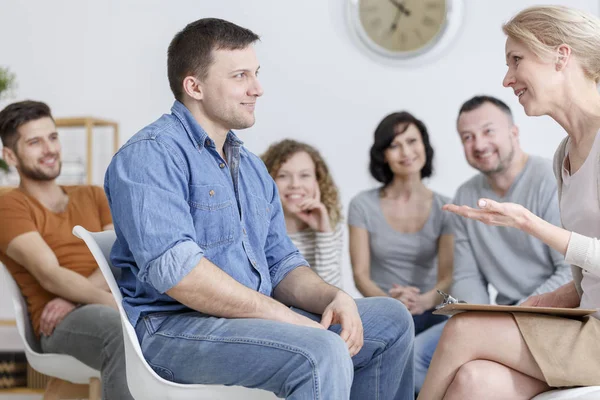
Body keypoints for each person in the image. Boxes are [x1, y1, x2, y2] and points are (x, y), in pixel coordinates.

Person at [104, 18, 414, 399]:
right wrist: (283, 317)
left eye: (256, 74)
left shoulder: (250, 167)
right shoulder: (151, 154)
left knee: (391, 320)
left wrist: (335, 298)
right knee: (320, 350)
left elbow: (280, 262)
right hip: (174, 329)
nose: (257, 88)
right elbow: (181, 275)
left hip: (247, 324)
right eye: (240, 76)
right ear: (194, 86)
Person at [419, 6, 600, 399]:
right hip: (586, 322)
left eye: (516, 60)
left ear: (561, 56)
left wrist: (531, 224)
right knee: (474, 380)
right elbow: (587, 281)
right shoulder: (565, 155)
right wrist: (533, 305)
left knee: (462, 331)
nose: (507, 78)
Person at [413, 95, 572, 394]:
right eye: (467, 137)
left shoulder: (549, 182)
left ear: (514, 132)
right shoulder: (465, 195)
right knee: (414, 357)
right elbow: (466, 276)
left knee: (468, 367)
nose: (479, 144)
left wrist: (512, 315)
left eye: (488, 131)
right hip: (499, 315)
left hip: (551, 314)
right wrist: (487, 317)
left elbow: (569, 272)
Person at [0, 100, 133, 399]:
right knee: (119, 331)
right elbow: (50, 275)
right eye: (35, 142)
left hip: (84, 305)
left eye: (53, 137)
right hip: (57, 324)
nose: (49, 149)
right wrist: (113, 305)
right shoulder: (9, 206)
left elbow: (117, 258)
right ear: (10, 155)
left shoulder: (93, 194)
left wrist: (76, 299)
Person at [348, 111, 453, 335]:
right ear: (383, 155)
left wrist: (423, 302)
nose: (406, 152)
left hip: (431, 310)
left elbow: (448, 277)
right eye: (394, 145)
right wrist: (391, 303)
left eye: (412, 141)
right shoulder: (362, 205)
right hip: (382, 309)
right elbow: (360, 275)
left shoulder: (446, 208)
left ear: (424, 145)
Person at [261, 139, 343, 287]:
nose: (295, 184)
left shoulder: (331, 228)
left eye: (304, 175)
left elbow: (334, 292)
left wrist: (324, 233)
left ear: (318, 181)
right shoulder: (259, 232)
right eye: (283, 176)